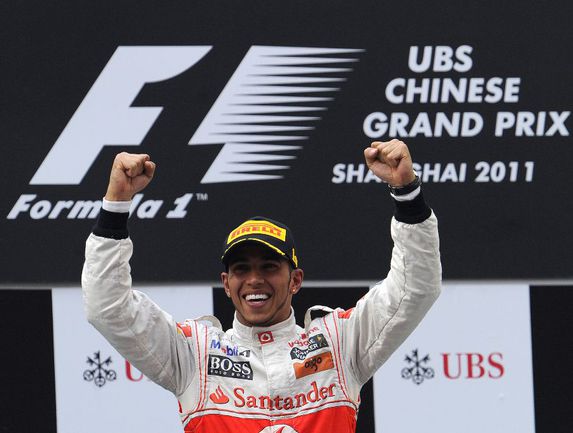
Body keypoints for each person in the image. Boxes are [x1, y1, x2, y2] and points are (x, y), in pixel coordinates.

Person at [82, 139, 441, 433]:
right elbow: (107, 307)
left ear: (295, 280)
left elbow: (415, 289)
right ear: (226, 284)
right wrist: (115, 206)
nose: (254, 280)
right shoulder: (194, 355)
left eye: (269, 267)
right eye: (242, 269)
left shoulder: (340, 343)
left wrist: (407, 195)